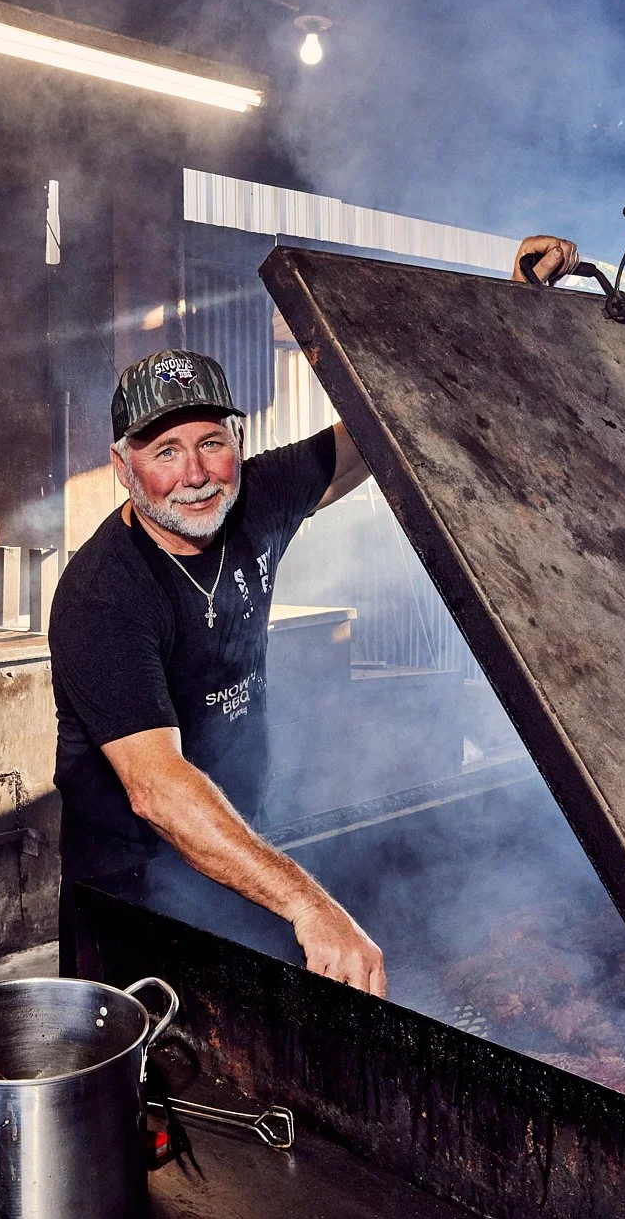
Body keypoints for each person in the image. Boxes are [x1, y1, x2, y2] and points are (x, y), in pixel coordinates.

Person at [49, 233, 577, 992]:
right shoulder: (104, 595)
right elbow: (158, 788)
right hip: (135, 884)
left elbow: (379, 424)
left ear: (237, 441)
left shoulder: (255, 496)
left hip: (243, 839)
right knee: (155, 1050)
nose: (195, 475)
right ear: (122, 465)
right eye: (164, 451)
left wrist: (509, 305)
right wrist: (308, 903)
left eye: (211, 443)